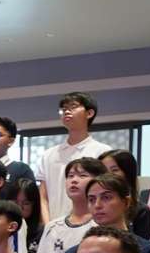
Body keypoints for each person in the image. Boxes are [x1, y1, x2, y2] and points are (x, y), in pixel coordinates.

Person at [35, 92, 113, 229]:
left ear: (89, 113)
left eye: (73, 107)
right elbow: (43, 197)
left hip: (91, 227)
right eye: (64, 109)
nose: (67, 112)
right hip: (54, 228)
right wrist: (48, 227)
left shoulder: (102, 151)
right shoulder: (48, 155)